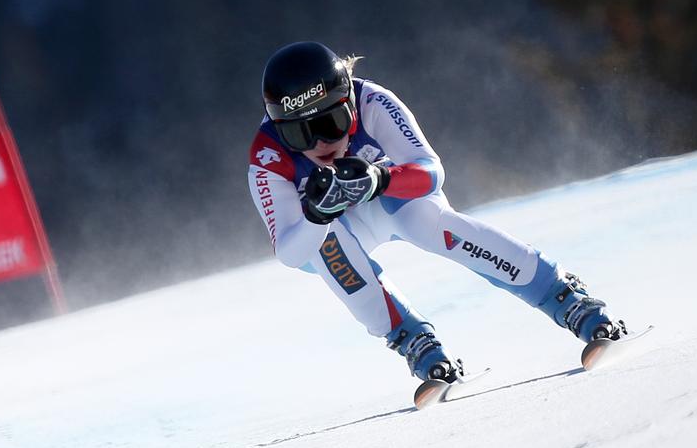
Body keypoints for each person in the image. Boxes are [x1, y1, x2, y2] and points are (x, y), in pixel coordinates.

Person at [246, 40, 625, 384]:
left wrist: (380, 178)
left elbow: (430, 173)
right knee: (328, 248)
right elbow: (290, 252)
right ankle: (413, 340)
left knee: (428, 224)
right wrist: (317, 215)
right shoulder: (267, 157)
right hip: (336, 232)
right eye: (300, 135)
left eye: (332, 124)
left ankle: (563, 296)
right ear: (281, 132)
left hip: (390, 200)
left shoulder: (372, 101)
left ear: (349, 106)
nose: (320, 144)